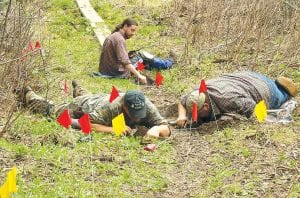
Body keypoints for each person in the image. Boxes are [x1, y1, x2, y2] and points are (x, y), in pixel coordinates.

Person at [24, 81, 171, 137]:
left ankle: (79, 87)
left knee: (90, 97)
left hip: (97, 99)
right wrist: (112, 129)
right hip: (83, 106)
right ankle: (28, 94)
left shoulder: (147, 105)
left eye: (140, 114)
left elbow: (165, 127)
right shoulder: (112, 107)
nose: (138, 118)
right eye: (134, 114)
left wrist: (157, 130)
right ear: (124, 106)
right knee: (52, 110)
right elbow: (87, 123)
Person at [176, 71, 298, 127]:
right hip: (244, 76)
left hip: (263, 88)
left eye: (196, 113)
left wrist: (263, 120)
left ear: (207, 106)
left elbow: (255, 107)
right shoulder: (197, 92)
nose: (193, 116)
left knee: (281, 97)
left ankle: (283, 90)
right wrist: (181, 116)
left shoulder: (230, 101)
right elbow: (182, 100)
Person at [99, 18, 175, 83]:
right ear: (125, 26)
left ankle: (155, 66)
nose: (133, 33)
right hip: (116, 72)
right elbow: (125, 62)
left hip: (106, 70)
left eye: (135, 31)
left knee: (139, 58)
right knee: (144, 57)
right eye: (132, 30)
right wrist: (139, 76)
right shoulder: (119, 40)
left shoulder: (114, 35)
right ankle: (169, 62)